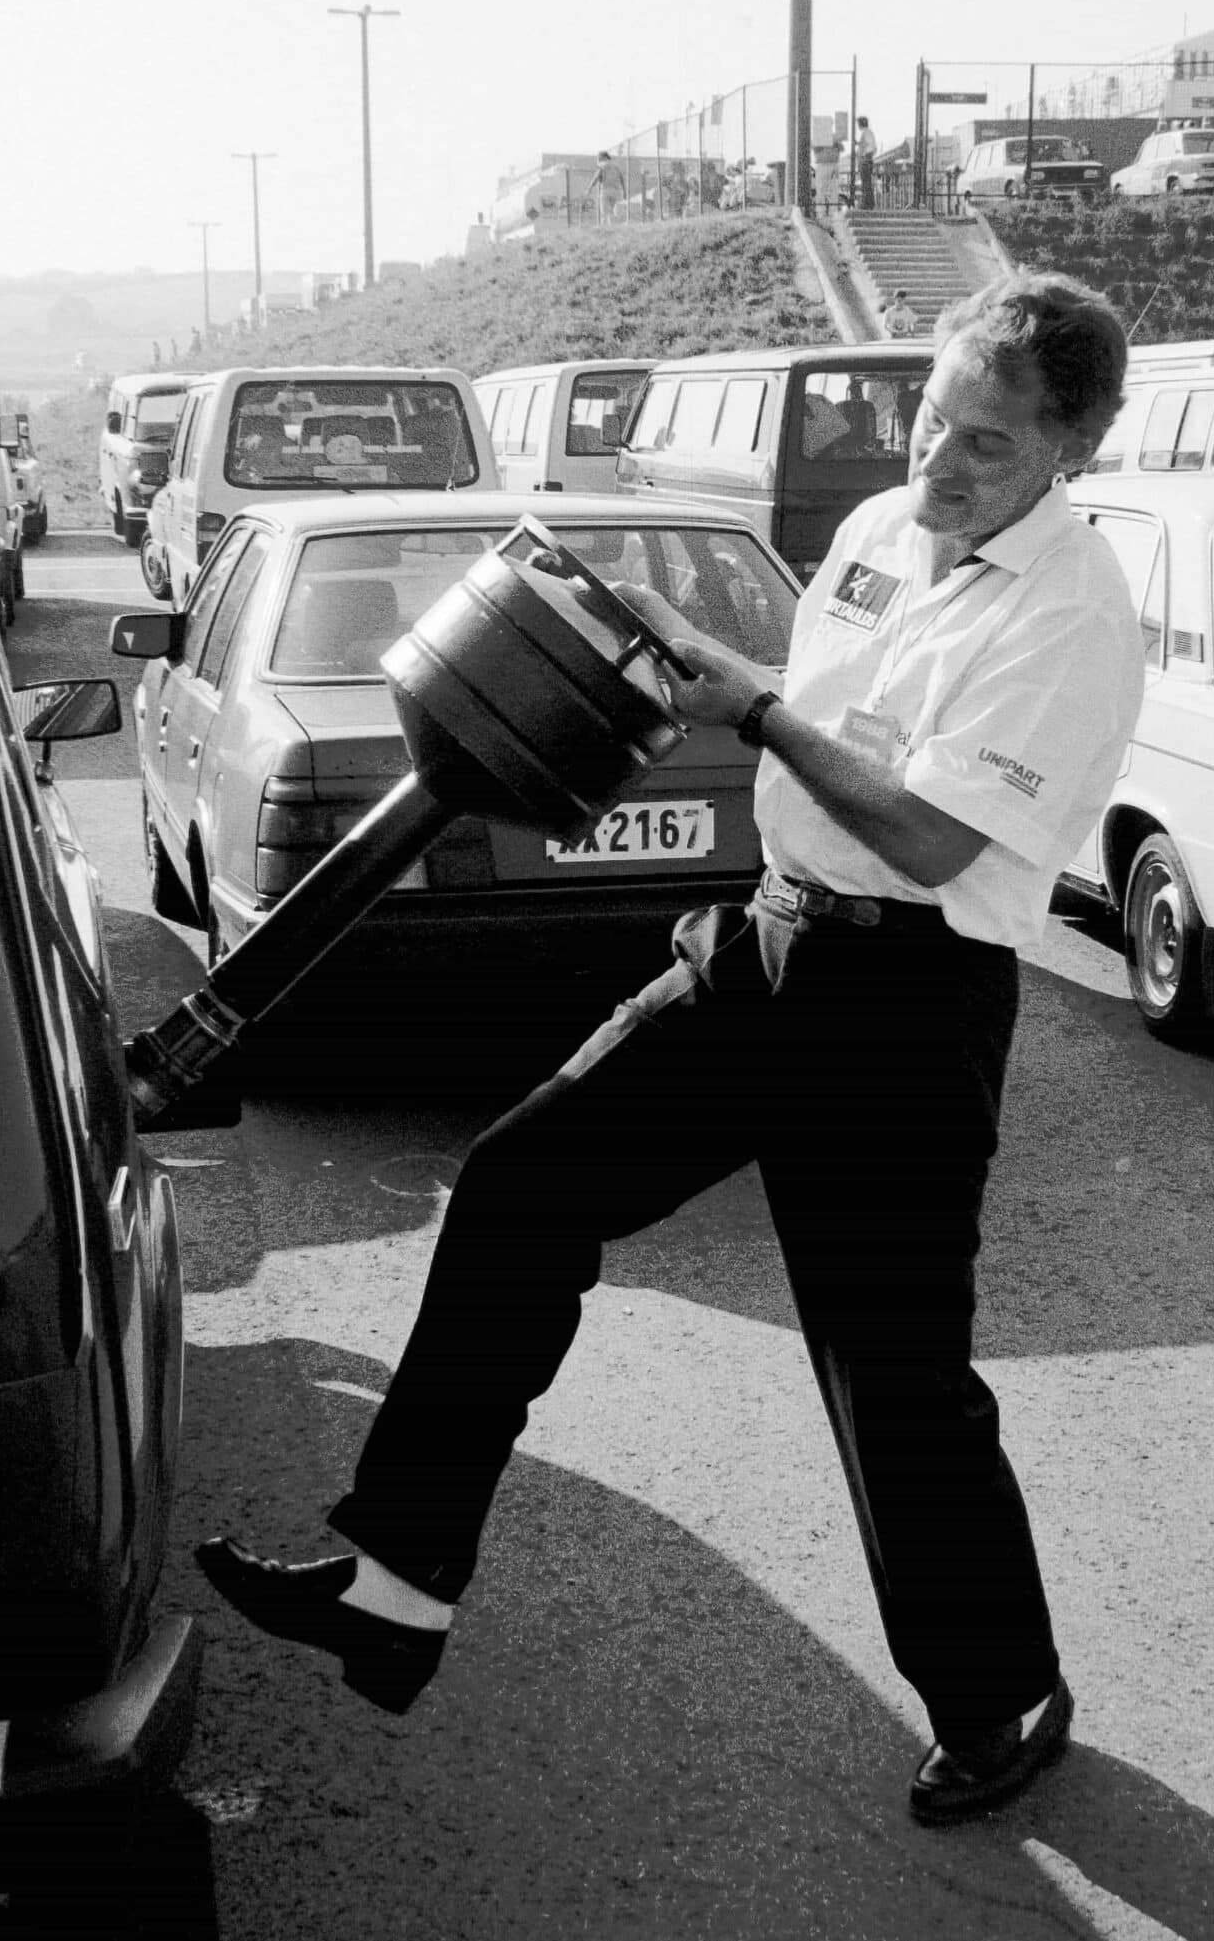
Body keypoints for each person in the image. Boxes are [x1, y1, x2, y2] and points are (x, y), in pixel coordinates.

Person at [198, 271, 1147, 1824]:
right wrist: (657, 640)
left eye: (981, 446)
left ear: (1064, 456)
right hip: (768, 944)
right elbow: (800, 700)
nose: (935, 467)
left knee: (890, 1375)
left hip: (907, 1004)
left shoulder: (1068, 614)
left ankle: (1000, 1697)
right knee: (516, 1187)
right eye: (927, 420)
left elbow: (915, 835)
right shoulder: (869, 538)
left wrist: (755, 710)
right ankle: (396, 1588)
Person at [854, 115, 878, 211]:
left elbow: (871, 146)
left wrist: (865, 155)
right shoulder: (867, 132)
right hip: (866, 160)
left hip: (865, 161)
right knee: (866, 182)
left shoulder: (866, 132)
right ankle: (869, 203)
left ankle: (866, 203)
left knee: (866, 183)